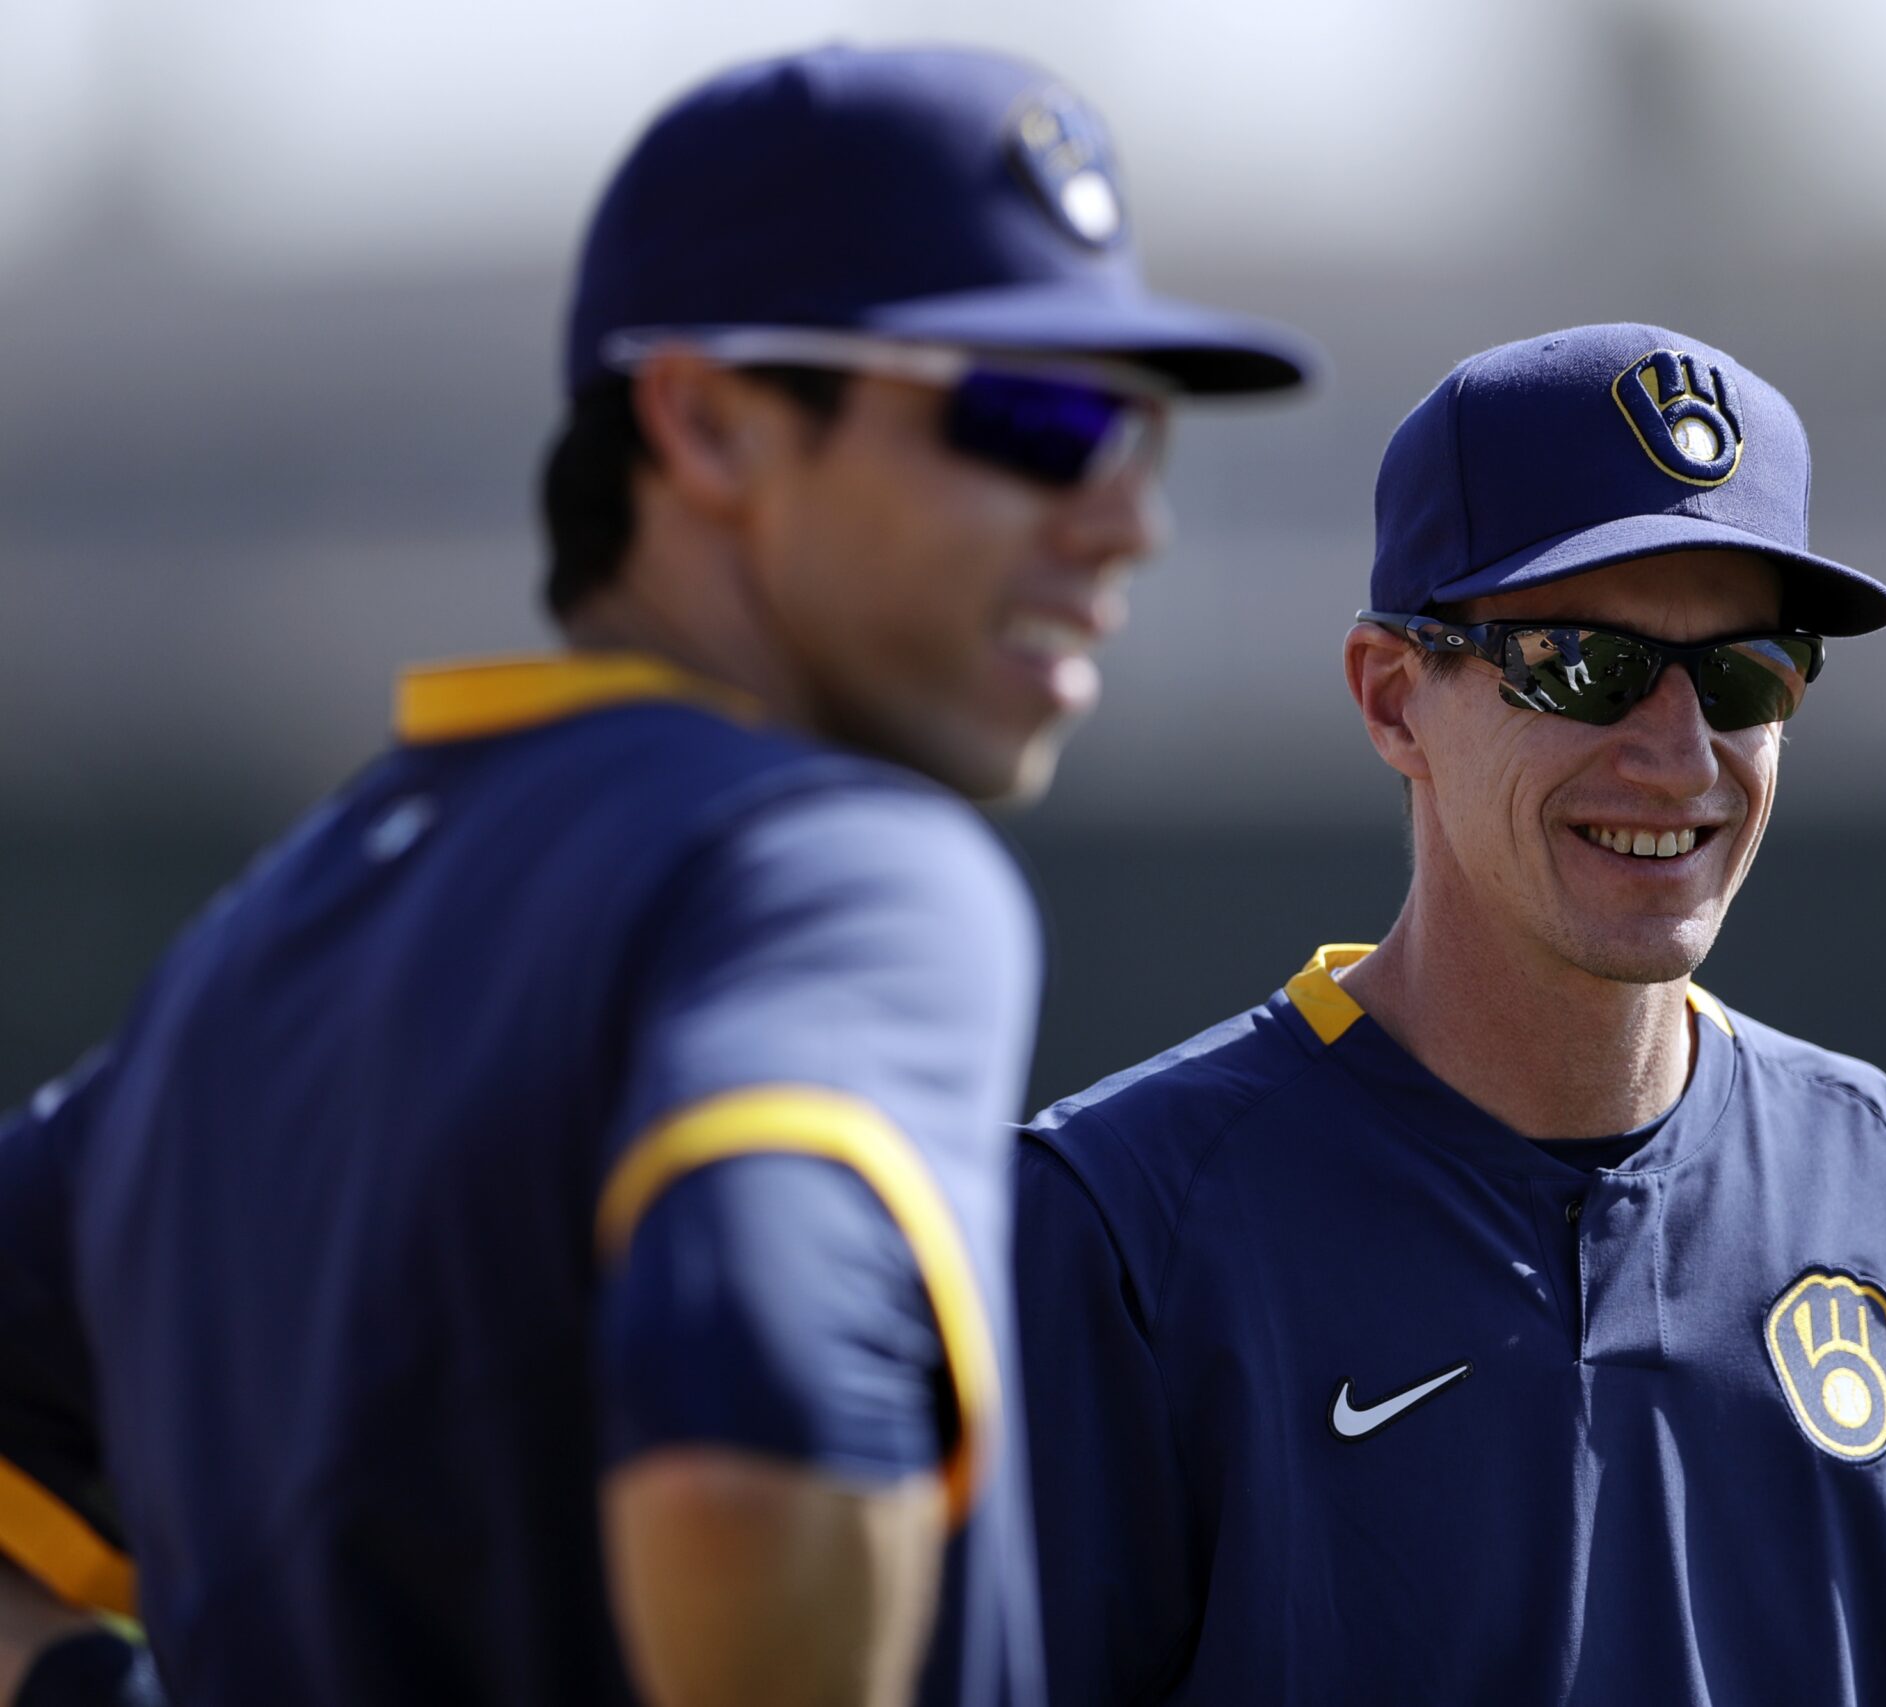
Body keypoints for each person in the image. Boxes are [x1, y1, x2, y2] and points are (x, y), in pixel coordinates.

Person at [0, 43, 1309, 1707]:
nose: (1128, 520)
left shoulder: (251, 952)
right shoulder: (833, 864)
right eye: (1037, 417)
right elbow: (756, 1394)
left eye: (1143, 434)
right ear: (704, 419)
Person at [1017, 323, 1886, 1707]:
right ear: (1392, 698)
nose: (1678, 756)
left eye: (1746, 674)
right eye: (1581, 663)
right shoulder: (1123, 1224)